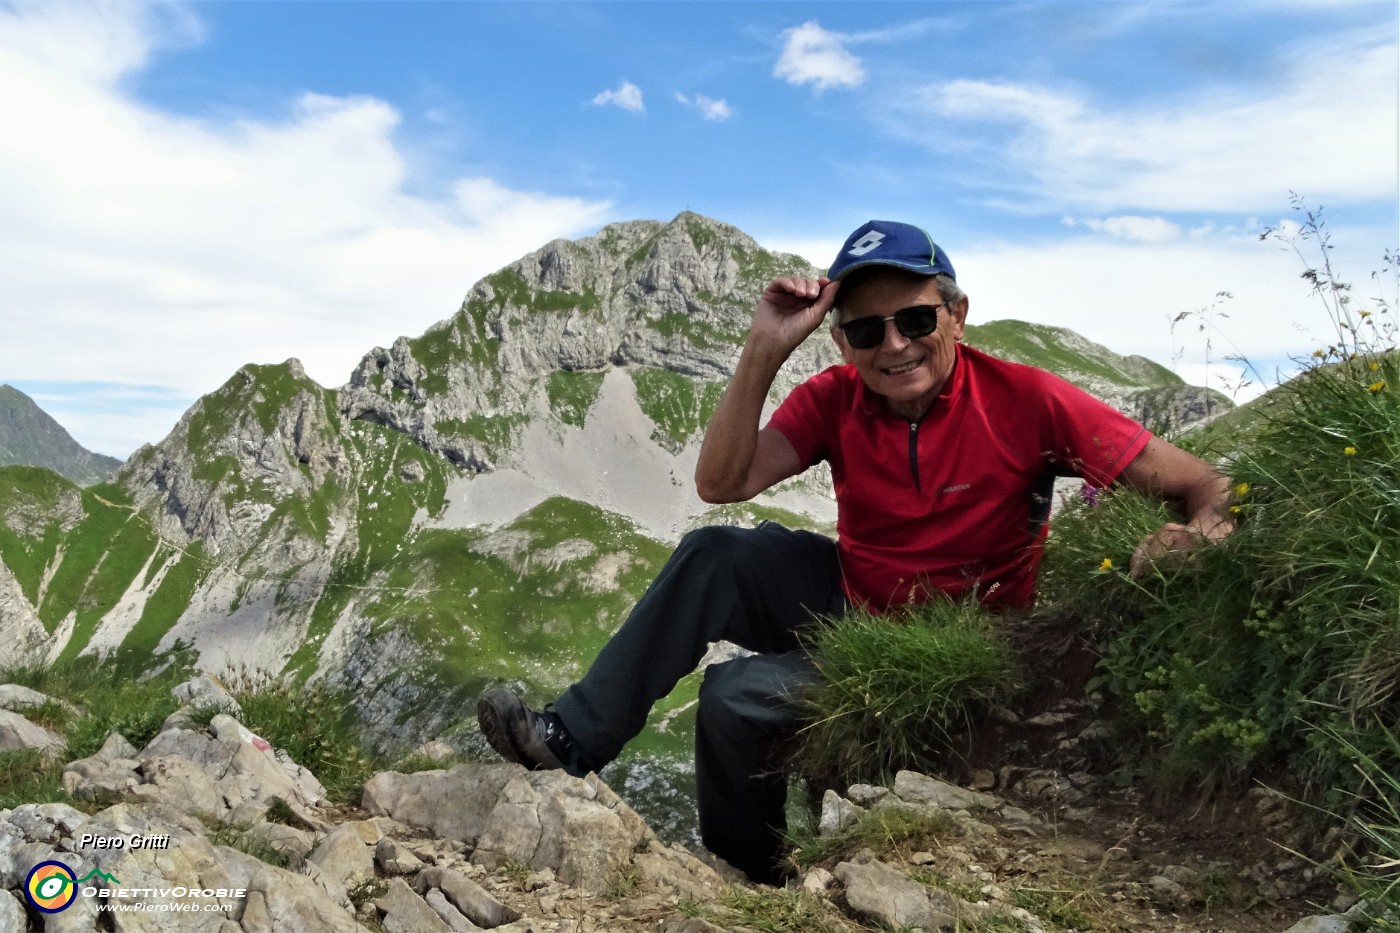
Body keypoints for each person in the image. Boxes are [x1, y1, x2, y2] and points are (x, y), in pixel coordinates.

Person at [478, 220, 1234, 884]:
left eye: (914, 318)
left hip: (959, 641)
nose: (895, 345)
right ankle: (569, 740)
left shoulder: (1026, 399)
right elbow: (721, 481)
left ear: (957, 314)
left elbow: (1206, 484)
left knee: (732, 697)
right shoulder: (836, 398)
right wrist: (766, 347)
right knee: (713, 554)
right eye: (867, 330)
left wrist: (1196, 536)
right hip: (858, 596)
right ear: (840, 340)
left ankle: (756, 880)